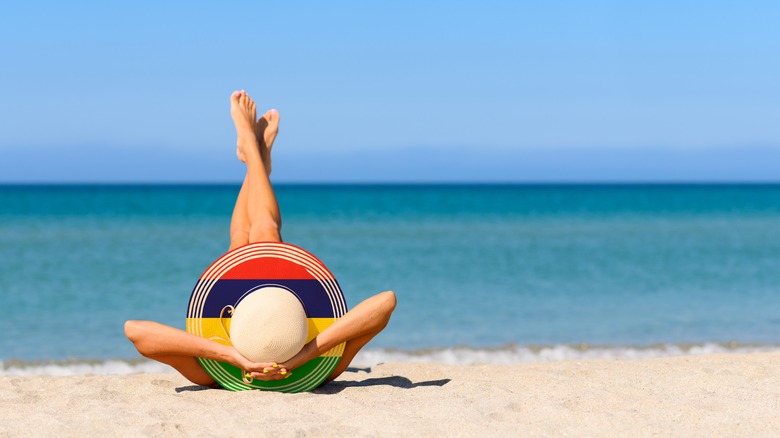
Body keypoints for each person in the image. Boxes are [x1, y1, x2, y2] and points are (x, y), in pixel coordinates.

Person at [124, 90, 396, 387]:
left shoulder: (212, 375)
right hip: (281, 312)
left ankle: (253, 154)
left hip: (247, 322)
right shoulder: (323, 369)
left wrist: (230, 356)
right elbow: (385, 302)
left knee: (243, 238)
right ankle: (255, 156)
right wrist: (304, 356)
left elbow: (135, 330)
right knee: (264, 230)